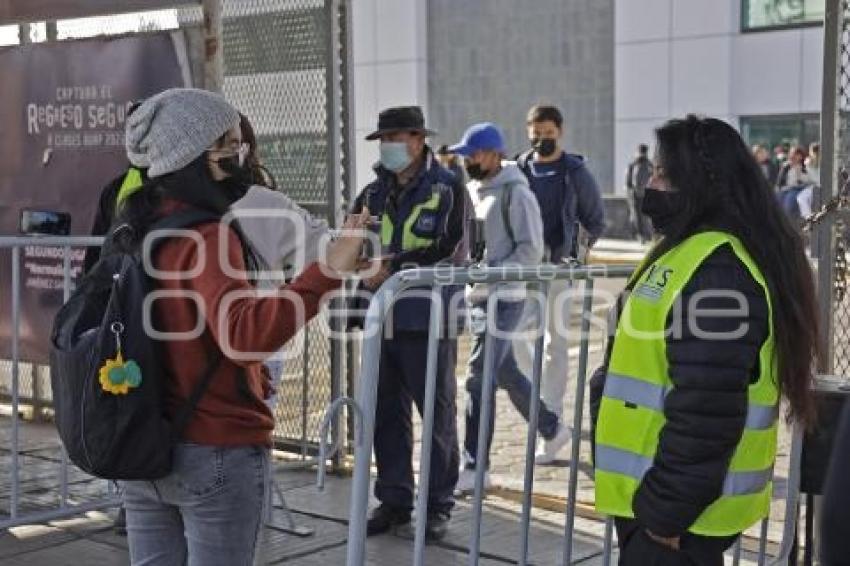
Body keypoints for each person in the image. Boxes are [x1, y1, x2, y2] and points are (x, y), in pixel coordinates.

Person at [115, 88, 368, 566]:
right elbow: (245, 335)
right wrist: (327, 271)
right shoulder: (209, 236)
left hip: (142, 443)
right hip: (213, 450)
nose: (241, 154)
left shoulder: (135, 225)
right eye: (229, 143)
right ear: (195, 156)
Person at [591, 115, 818, 566]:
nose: (649, 184)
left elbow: (707, 412)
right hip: (664, 506)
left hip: (677, 519)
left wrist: (663, 517)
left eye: (662, 174)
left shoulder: (718, 272)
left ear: (697, 184)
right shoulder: (687, 251)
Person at [350, 106, 466, 541]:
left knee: (436, 415)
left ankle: (437, 506)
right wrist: (361, 271)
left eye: (396, 137)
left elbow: (454, 247)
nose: (389, 147)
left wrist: (394, 265)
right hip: (383, 318)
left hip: (428, 318)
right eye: (384, 139)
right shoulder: (372, 193)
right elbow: (353, 244)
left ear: (419, 139)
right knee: (385, 414)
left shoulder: (448, 188)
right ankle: (395, 500)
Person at [449, 122, 572, 493]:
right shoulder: (473, 189)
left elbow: (531, 251)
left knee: (477, 377)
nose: (467, 159)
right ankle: (552, 427)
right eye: (465, 154)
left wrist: (492, 272)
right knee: (505, 373)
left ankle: (475, 465)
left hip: (506, 298)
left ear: (494, 153)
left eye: (474, 152)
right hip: (479, 295)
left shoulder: (517, 193)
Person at [513, 103, 606, 464]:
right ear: (528, 132)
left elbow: (595, 218)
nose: (541, 140)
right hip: (523, 270)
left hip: (559, 270)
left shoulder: (574, 171)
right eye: (536, 134)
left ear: (560, 132)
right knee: (513, 339)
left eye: (548, 134)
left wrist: (576, 252)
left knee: (556, 342)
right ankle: (539, 399)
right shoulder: (518, 169)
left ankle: (549, 419)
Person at [625, 143, 654, 243]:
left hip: (646, 194)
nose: (642, 154)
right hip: (635, 195)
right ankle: (641, 236)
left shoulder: (650, 165)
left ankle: (647, 236)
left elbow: (654, 179)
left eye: (643, 152)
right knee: (637, 216)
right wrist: (630, 192)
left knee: (646, 216)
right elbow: (628, 181)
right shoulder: (633, 165)